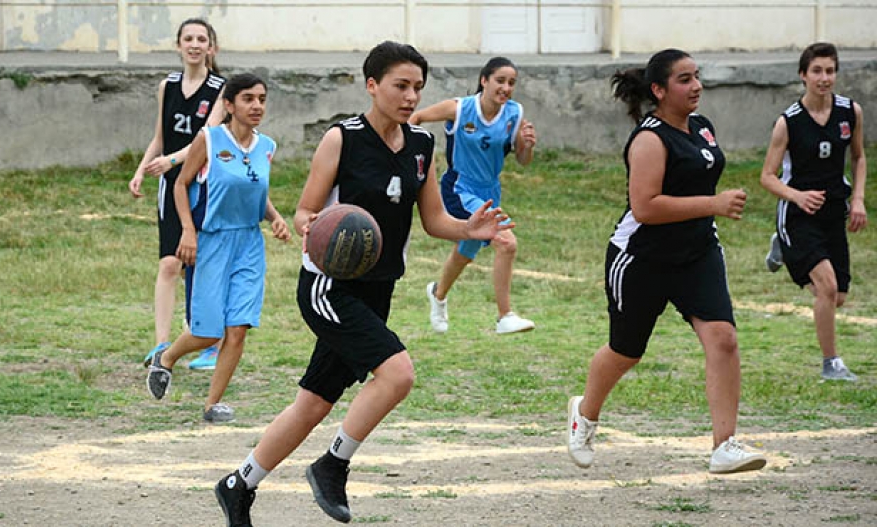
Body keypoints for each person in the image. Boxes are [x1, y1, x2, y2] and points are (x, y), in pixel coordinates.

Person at [213, 41, 513, 526]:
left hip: (379, 289)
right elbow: (307, 209)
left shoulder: (421, 145)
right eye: (400, 85)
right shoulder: (342, 139)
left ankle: (238, 484)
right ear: (372, 85)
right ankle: (332, 464)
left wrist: (468, 228)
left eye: (418, 86)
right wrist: (313, 226)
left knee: (313, 403)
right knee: (398, 374)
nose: (411, 95)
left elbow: (434, 219)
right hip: (328, 287)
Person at [566, 49, 766, 475]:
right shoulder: (649, 139)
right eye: (684, 79)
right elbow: (646, 207)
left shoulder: (703, 129)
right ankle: (583, 413)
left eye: (697, 77)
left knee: (724, 340)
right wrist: (713, 203)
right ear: (659, 90)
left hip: (697, 253)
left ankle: (724, 445)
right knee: (626, 351)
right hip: (642, 258)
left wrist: (707, 210)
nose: (696, 86)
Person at [145, 73, 292, 423]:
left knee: (238, 328)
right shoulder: (209, 140)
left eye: (261, 99)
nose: (256, 106)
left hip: (249, 243)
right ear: (229, 104)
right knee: (207, 331)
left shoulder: (267, 147)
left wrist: (275, 217)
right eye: (248, 99)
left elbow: (254, 189)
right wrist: (187, 232)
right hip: (211, 240)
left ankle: (213, 404)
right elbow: (181, 184)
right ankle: (165, 358)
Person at [760, 42, 867, 382]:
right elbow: (767, 176)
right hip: (798, 215)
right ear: (803, 75)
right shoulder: (788, 123)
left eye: (830, 71)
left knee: (838, 296)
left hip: (834, 212)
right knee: (827, 287)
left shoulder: (851, 112)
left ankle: (783, 249)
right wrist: (797, 196)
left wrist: (859, 199)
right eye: (817, 71)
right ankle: (831, 363)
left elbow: (859, 157)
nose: (825, 78)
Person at [411, 57, 537, 335]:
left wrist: (526, 145)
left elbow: (523, 159)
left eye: (511, 83)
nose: (505, 88)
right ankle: (505, 315)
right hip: (459, 188)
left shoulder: (514, 113)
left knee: (468, 248)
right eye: (500, 81)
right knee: (506, 243)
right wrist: (410, 151)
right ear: (484, 80)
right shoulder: (460, 108)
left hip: (490, 191)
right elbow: (416, 118)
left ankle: (438, 293)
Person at [130, 18, 225, 371]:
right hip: (170, 186)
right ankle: (160, 345)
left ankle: (208, 341)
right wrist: (142, 169)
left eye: (202, 39)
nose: (195, 44)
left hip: (200, 184)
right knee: (169, 263)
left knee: (197, 263)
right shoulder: (166, 86)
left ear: (211, 48)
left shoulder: (220, 89)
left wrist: (171, 161)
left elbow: (207, 139)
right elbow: (159, 136)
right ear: (178, 45)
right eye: (189, 38)